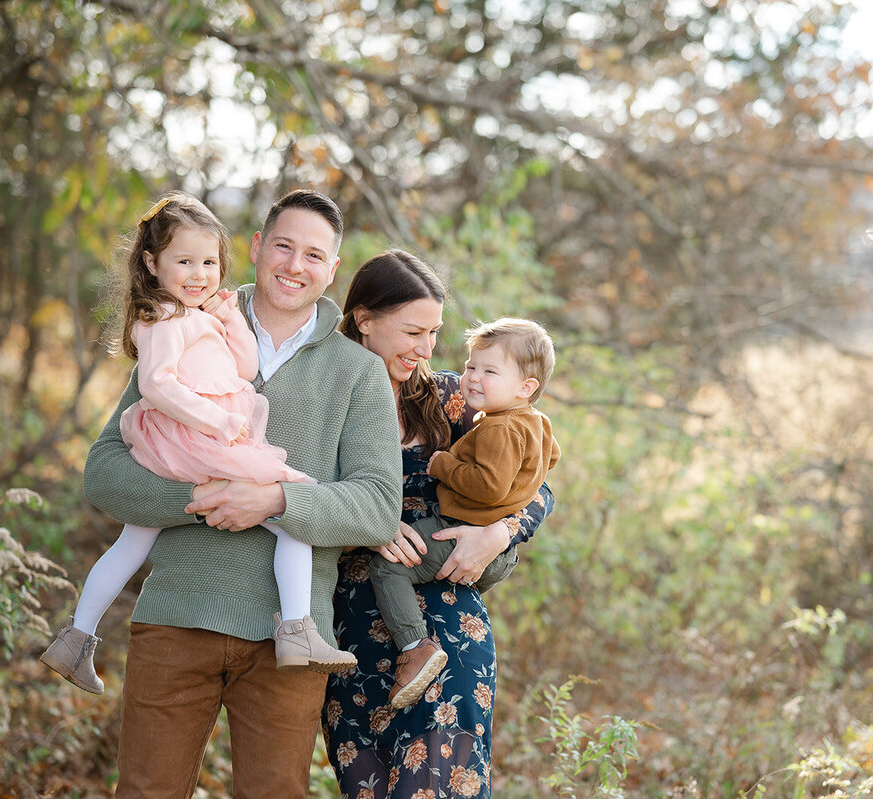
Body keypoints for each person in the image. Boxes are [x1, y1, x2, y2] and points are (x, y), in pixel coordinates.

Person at [82, 189, 401, 798]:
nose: (295, 265)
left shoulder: (357, 372)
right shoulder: (180, 324)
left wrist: (276, 502)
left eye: (314, 254)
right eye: (283, 245)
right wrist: (208, 495)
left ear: (332, 269)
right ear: (256, 248)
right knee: (146, 791)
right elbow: (105, 473)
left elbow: (379, 506)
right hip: (178, 615)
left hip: (291, 635)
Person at [41, 192, 358, 696]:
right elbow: (156, 385)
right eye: (183, 261)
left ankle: (76, 639)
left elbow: (246, 370)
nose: (198, 274)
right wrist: (217, 422)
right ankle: (297, 630)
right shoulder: (162, 318)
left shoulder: (197, 315)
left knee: (132, 542)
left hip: (191, 438)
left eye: (208, 262)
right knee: (296, 506)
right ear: (152, 263)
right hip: (195, 438)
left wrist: (230, 320)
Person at [324, 249, 555, 799]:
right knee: (371, 784)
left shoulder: (453, 398)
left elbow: (536, 483)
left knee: (441, 781)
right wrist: (370, 526)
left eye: (435, 332)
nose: (428, 348)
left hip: (450, 616)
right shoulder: (324, 396)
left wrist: (501, 533)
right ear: (364, 319)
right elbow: (295, 494)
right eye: (413, 331)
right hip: (355, 615)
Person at [371, 317, 561, 708]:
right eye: (471, 365)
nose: (472, 377)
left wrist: (443, 465)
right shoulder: (534, 423)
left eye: (489, 371)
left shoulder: (489, 422)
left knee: (387, 568)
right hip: (488, 560)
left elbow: (498, 486)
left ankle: (414, 645)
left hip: (463, 536)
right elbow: (548, 461)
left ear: (526, 387)